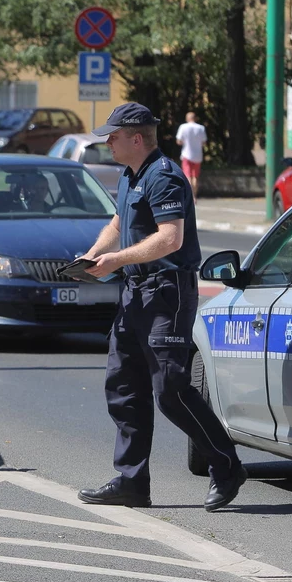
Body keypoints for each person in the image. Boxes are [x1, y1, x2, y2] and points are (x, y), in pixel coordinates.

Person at [77, 102, 247, 512]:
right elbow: (119, 223)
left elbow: (170, 239)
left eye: (113, 136)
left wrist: (115, 261)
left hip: (166, 293)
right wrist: (95, 254)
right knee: (124, 386)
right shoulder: (130, 174)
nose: (108, 142)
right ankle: (132, 482)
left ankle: (226, 467)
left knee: (170, 389)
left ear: (137, 138)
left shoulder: (164, 176)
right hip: (135, 292)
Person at [176, 112, 207, 201]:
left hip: (186, 154)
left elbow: (179, 141)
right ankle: (195, 196)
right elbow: (204, 142)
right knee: (195, 176)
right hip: (197, 155)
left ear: (187, 118)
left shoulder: (183, 127)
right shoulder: (201, 128)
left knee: (188, 175)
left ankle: (190, 196)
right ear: (195, 118)